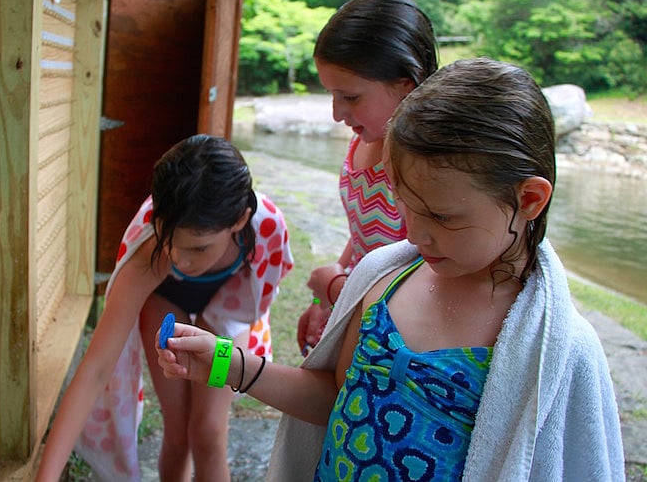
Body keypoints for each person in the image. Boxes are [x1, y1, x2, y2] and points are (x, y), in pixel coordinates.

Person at [156, 59, 625, 481]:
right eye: (406, 205)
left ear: (528, 200)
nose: (416, 235)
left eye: (442, 216)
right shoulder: (385, 277)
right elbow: (336, 396)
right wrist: (225, 363)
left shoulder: (556, 352)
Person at [35, 134, 293, 481]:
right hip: (165, 303)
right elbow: (96, 370)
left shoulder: (267, 229)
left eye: (199, 248)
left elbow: (252, 302)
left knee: (207, 430)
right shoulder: (148, 253)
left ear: (240, 221)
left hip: (227, 312)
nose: (178, 258)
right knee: (178, 430)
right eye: (168, 239)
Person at [298, 0, 438, 355]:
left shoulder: (425, 170)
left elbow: (425, 283)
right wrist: (327, 301)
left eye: (351, 97)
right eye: (331, 95)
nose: (336, 114)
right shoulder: (363, 141)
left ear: (406, 84)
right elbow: (367, 233)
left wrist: (336, 288)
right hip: (355, 303)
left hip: (393, 336)